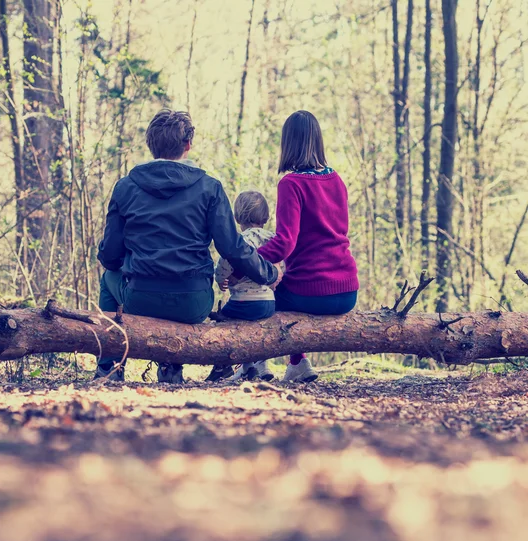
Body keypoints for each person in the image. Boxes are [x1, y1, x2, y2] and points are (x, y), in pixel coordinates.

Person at [96, 109, 281, 383]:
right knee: (177, 291)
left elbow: (110, 256)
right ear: (188, 145)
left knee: (108, 279)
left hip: (140, 298)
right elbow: (232, 248)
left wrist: (132, 264)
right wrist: (269, 273)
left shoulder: (126, 187)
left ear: (150, 144)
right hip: (194, 301)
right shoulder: (210, 188)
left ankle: (110, 367)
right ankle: (171, 365)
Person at [257, 110, 359, 382]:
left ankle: (253, 363)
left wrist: (246, 258)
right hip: (348, 291)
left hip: (312, 291)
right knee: (283, 285)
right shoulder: (336, 179)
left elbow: (284, 244)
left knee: (259, 298)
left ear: (288, 143)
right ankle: (298, 363)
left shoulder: (292, 184)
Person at [207, 191, 277, 382]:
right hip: (269, 303)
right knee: (257, 330)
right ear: (266, 216)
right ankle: (257, 366)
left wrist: (220, 279)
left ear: (237, 217)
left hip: (244, 302)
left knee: (223, 321)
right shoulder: (272, 238)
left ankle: (229, 367)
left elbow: (225, 263)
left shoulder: (241, 240)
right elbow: (281, 263)